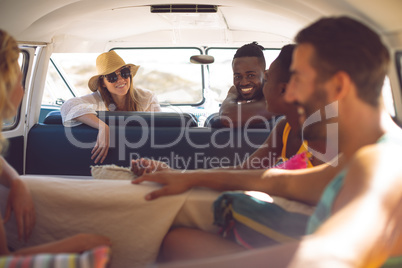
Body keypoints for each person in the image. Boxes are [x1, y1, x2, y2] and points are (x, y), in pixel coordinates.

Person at [154, 16, 402, 268]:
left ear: (338, 85)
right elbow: (281, 181)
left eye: (299, 79)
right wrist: (189, 176)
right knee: (178, 243)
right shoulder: (355, 161)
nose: (290, 94)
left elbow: (333, 254)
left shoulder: (383, 162)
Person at [131, 44, 337, 201]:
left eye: (268, 77)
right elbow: (245, 169)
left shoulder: (325, 131)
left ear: (284, 89)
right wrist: (176, 173)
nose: (264, 84)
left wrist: (192, 179)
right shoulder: (284, 127)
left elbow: (306, 189)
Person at [0, 29, 111, 255]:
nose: (22, 91)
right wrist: (76, 245)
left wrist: (17, 182)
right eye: (20, 80)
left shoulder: (147, 100)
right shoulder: (92, 101)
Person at [60, 50, 161, 164]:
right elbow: (68, 106)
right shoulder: (96, 99)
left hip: (142, 157)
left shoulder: (146, 97)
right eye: (112, 77)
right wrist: (103, 127)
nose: (121, 80)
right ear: (103, 83)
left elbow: (159, 130)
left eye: (124, 73)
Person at [219, 42, 277, 127]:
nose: (244, 82)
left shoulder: (276, 94)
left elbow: (228, 117)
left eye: (251, 75)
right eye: (238, 76)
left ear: (265, 75)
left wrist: (232, 95)